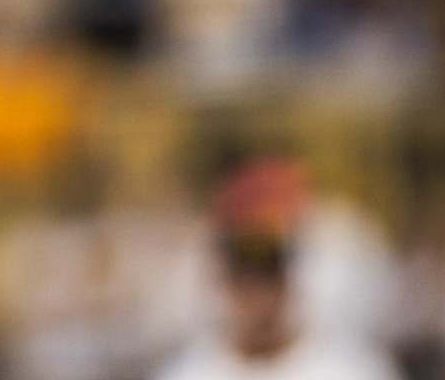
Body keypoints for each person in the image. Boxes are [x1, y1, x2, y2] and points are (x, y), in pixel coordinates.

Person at [153, 160, 401, 380]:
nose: (256, 290)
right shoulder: (186, 373)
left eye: (270, 269)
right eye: (242, 269)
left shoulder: (354, 371)